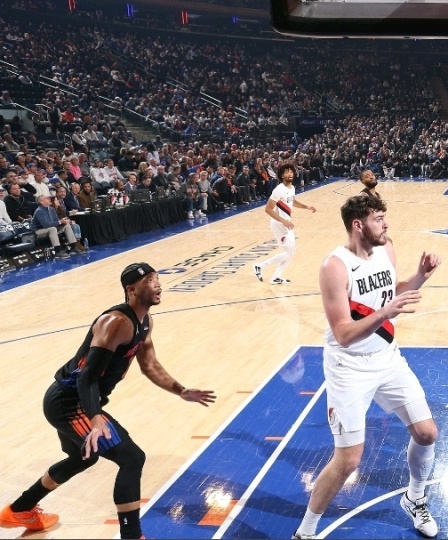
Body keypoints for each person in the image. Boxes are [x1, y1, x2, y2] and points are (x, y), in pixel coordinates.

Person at [0, 263, 216, 538]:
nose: (158, 284)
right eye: (150, 280)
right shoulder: (116, 322)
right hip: (70, 403)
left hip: (76, 400)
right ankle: (131, 535)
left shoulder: (145, 322)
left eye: (157, 278)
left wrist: (180, 390)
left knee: (83, 458)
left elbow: (150, 365)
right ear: (132, 289)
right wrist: (95, 418)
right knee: (132, 458)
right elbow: (86, 377)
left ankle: (20, 509)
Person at [293, 195, 442, 539]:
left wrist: (420, 277)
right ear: (358, 225)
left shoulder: (386, 248)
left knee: (427, 433)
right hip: (349, 367)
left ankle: (415, 498)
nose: (385, 224)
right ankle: (305, 532)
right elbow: (343, 333)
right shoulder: (335, 267)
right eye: (378, 218)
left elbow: (392, 292)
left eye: (384, 217)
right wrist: (385, 313)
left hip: (387, 357)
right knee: (348, 460)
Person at [253, 163, 316, 285]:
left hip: (285, 223)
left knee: (291, 252)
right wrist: (283, 221)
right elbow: (268, 209)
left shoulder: (291, 188)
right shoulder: (279, 190)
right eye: (287, 172)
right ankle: (260, 266)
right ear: (282, 175)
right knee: (289, 252)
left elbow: (292, 201)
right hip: (278, 223)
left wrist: (306, 206)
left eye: (291, 171)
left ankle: (276, 276)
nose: (290, 174)